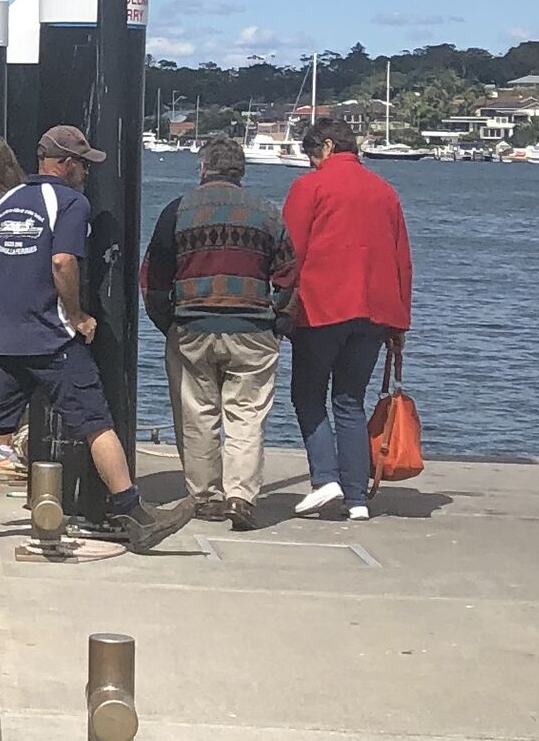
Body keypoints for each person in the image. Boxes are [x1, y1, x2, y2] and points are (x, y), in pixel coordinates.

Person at [0, 125, 178, 553]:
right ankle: (135, 513)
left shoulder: (7, 202)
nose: (86, 170)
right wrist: (77, 314)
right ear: (64, 163)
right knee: (96, 424)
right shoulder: (70, 202)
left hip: (8, 341)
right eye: (83, 163)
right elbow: (63, 261)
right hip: (53, 341)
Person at [142, 132, 297, 526]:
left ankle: (206, 497)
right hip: (253, 325)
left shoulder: (177, 210)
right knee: (246, 415)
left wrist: (167, 323)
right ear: (241, 171)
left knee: (197, 414)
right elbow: (289, 275)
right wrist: (277, 319)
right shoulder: (267, 212)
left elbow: (154, 277)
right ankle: (241, 496)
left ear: (203, 168)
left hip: (191, 324)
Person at [281, 115, 412, 519]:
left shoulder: (310, 187)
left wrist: (280, 302)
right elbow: (401, 260)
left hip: (321, 308)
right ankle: (357, 499)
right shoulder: (385, 192)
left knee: (307, 395)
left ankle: (325, 478)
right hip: (374, 314)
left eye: (310, 156)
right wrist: (399, 324)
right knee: (350, 401)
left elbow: (291, 250)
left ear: (326, 148)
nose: (309, 164)